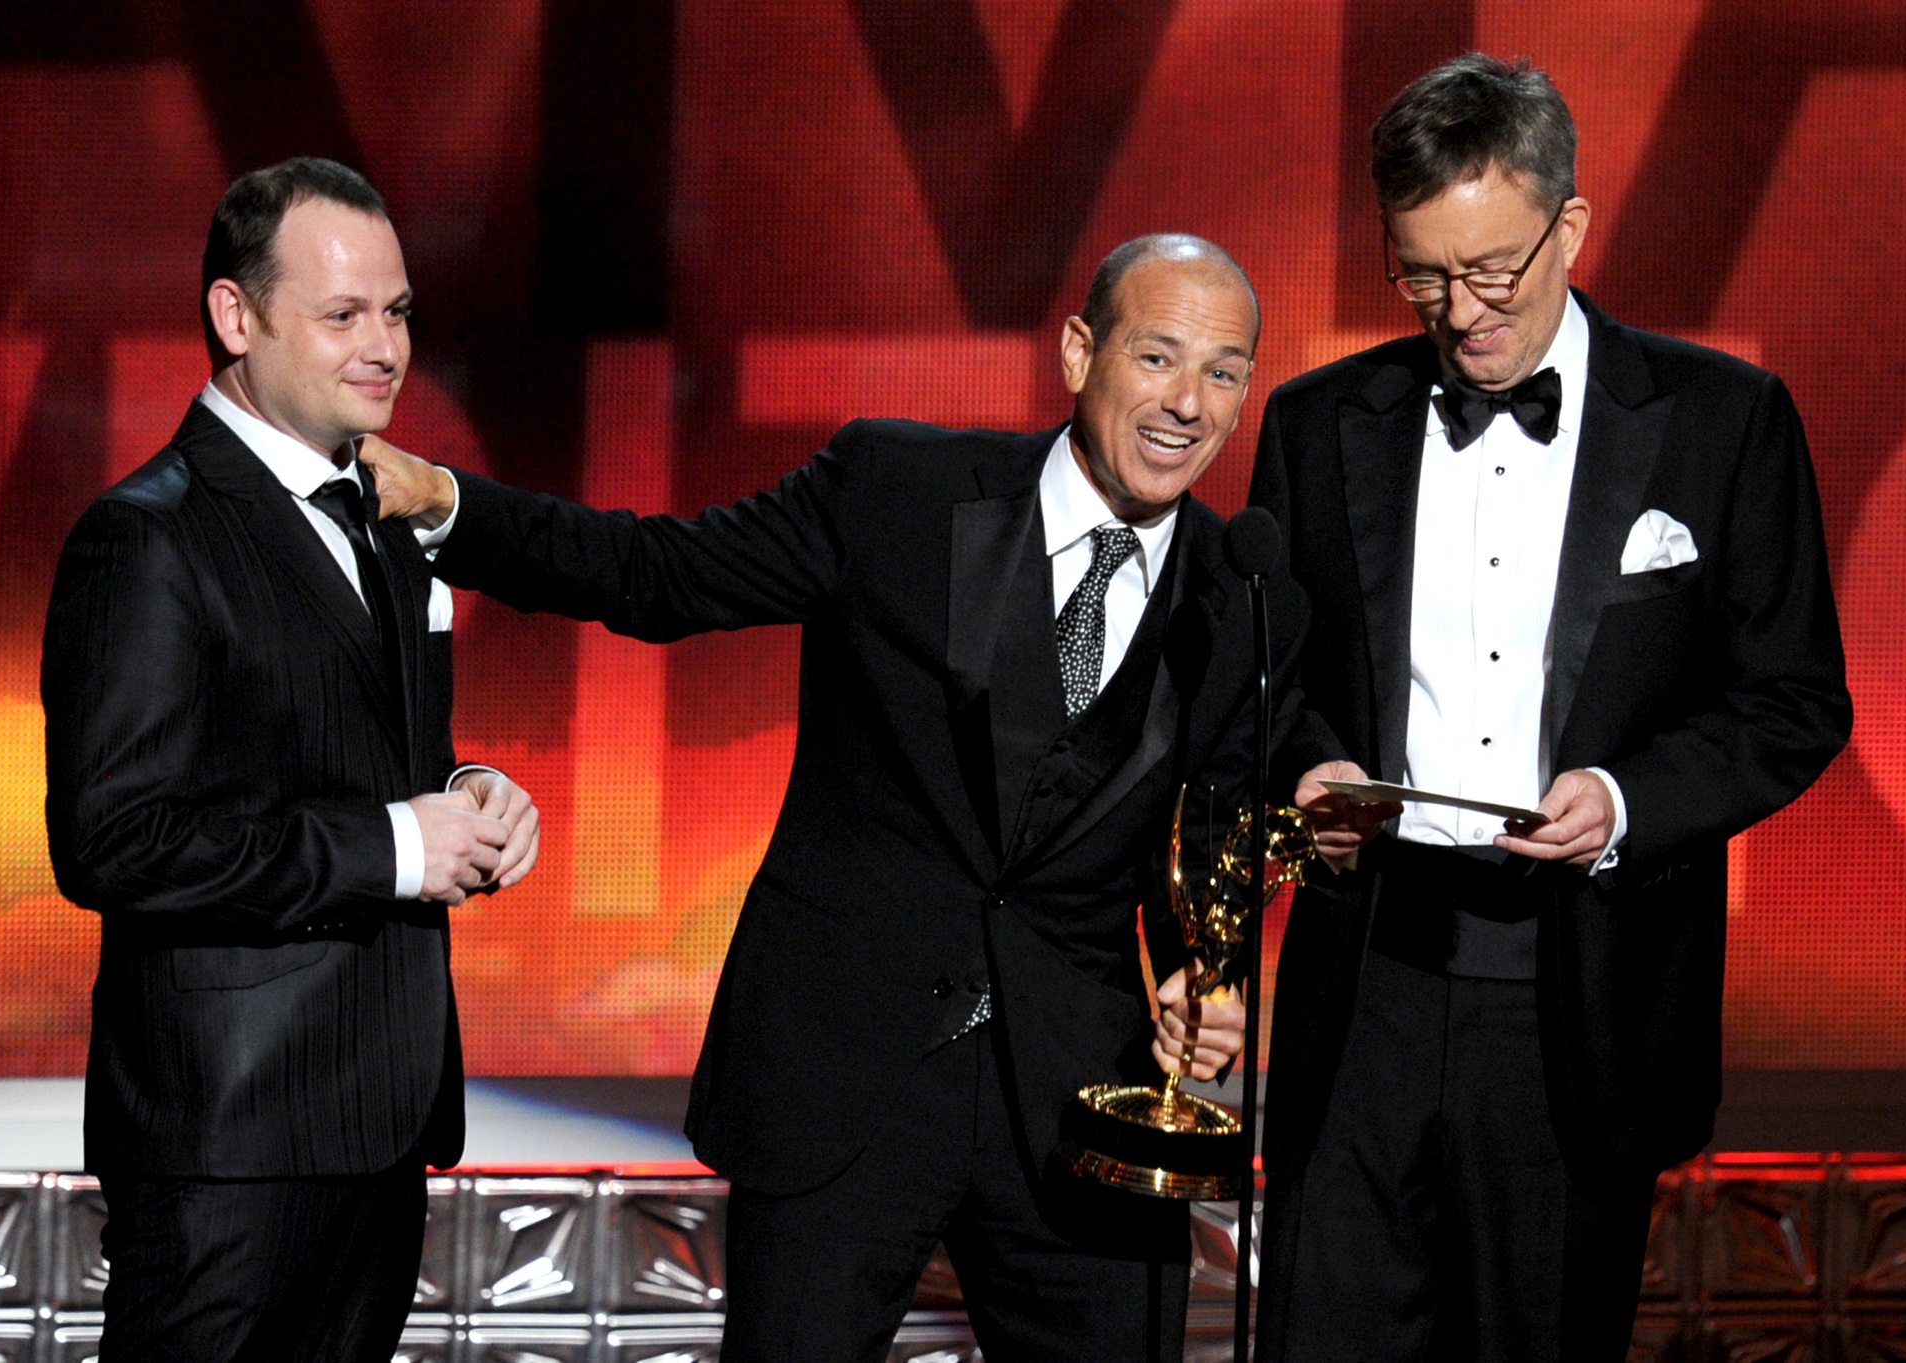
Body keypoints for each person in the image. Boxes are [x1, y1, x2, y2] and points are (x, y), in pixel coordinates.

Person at [361, 234, 1359, 1362]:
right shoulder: (896, 490)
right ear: (1080, 352)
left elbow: (1199, 841)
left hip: (1076, 1107)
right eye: (1158, 357)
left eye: (1223, 372)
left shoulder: (1241, 591)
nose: (1187, 402)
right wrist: (450, 503)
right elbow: (660, 572)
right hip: (847, 1076)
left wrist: (1196, 972)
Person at [1247, 55, 1851, 1361]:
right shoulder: (1317, 422)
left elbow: (1797, 699)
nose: (1460, 314)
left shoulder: (1721, 421)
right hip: (1366, 993)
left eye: (1492, 270)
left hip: (1577, 1005)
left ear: (1570, 227)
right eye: (1421, 275)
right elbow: (1263, 679)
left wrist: (1627, 800)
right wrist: (1309, 768)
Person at [42, 157, 541, 1361]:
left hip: (378, 1122)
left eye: (399, 312)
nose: (385, 346)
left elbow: (362, 755)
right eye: (342, 314)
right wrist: (391, 844)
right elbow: (112, 838)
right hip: (227, 1146)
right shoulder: (147, 536)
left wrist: (469, 794)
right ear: (235, 315)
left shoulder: (387, 523)